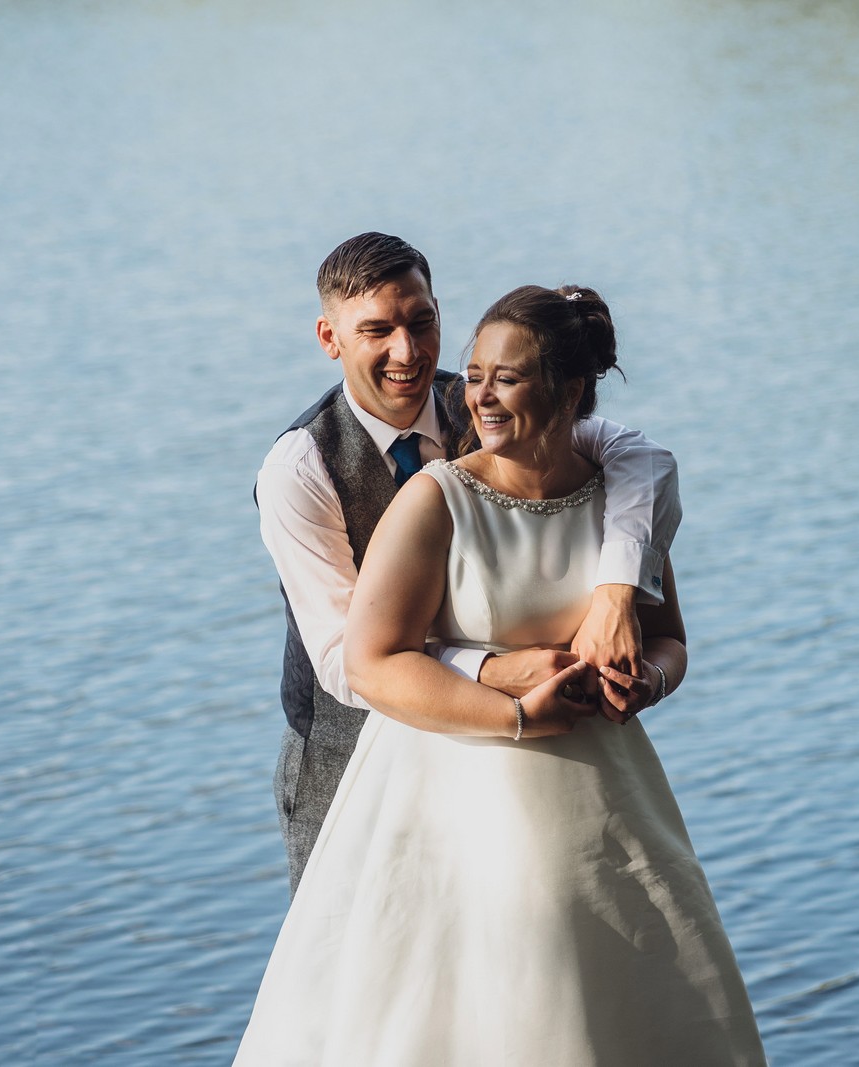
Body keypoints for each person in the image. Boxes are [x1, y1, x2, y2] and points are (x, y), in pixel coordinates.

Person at [234, 284, 765, 1066]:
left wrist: (643, 681)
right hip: (445, 786)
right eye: (475, 373)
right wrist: (515, 705)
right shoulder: (430, 497)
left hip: (601, 791)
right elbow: (365, 660)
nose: (473, 392)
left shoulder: (619, 496)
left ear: (571, 389)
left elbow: (669, 637)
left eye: (503, 377)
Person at [256, 233, 681, 893]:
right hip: (352, 770)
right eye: (377, 330)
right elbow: (348, 665)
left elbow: (641, 460)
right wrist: (498, 671)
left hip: (515, 773)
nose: (408, 351)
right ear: (329, 338)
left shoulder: (492, 404)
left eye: (421, 322)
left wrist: (616, 588)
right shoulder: (301, 467)